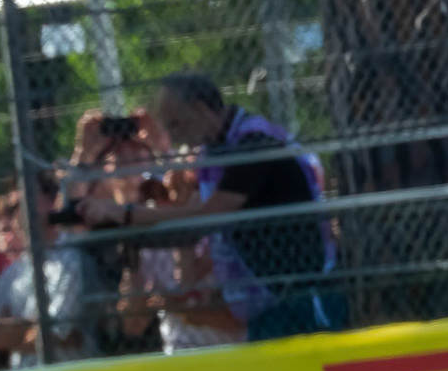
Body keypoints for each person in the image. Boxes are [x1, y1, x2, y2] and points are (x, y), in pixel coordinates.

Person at [76, 71, 340, 341]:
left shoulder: (252, 143)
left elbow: (207, 216)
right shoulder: (214, 153)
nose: (176, 137)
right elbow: (190, 225)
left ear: (201, 110)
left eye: (177, 124)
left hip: (304, 292)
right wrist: (127, 228)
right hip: (267, 300)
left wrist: (124, 214)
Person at [0, 181, 95, 370]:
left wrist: (9, 332)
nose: (21, 214)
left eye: (29, 200)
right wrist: (34, 328)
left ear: (50, 203)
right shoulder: (13, 271)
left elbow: (59, 331)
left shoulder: (71, 258)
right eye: (14, 209)